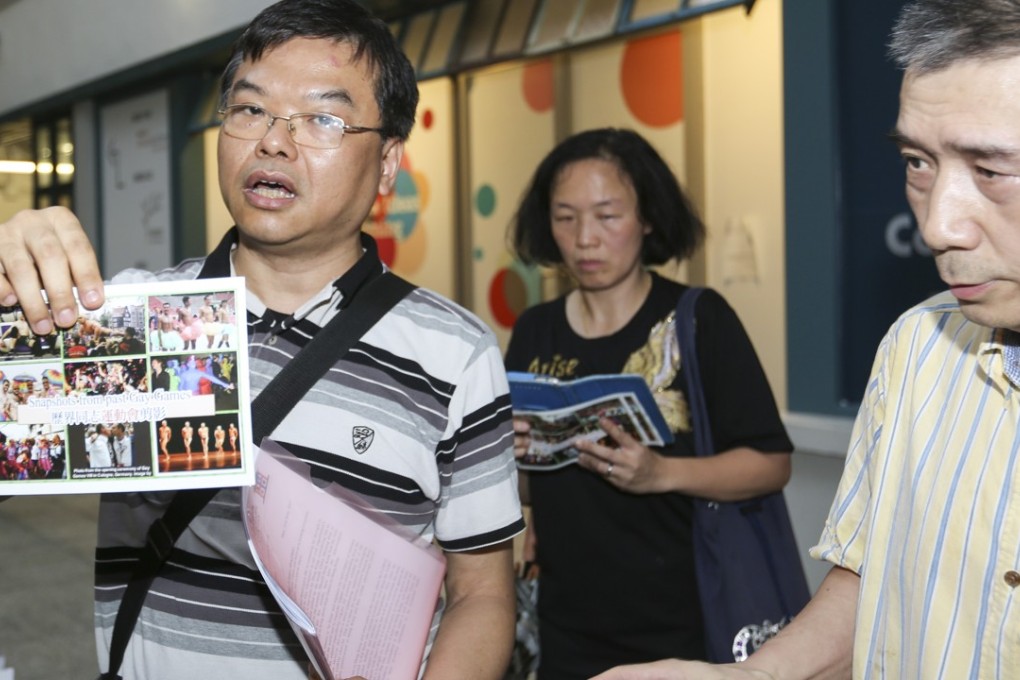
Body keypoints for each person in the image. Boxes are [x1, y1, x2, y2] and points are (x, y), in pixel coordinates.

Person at [0, 1, 523, 678]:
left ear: (388, 162)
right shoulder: (124, 321)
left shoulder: (455, 356)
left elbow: (482, 593)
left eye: (323, 119)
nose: (274, 141)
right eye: (250, 111)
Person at [592, 2, 1020, 679]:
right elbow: (872, 584)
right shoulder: (918, 349)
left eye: (992, 171)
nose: (938, 225)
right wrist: (750, 677)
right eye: (918, 162)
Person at [502, 127, 793, 679]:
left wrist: (660, 473)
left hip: (685, 622)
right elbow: (528, 485)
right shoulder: (535, 331)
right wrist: (513, 459)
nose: (585, 238)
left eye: (608, 216)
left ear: (648, 218)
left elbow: (771, 463)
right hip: (566, 626)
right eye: (565, 218)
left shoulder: (698, 320)